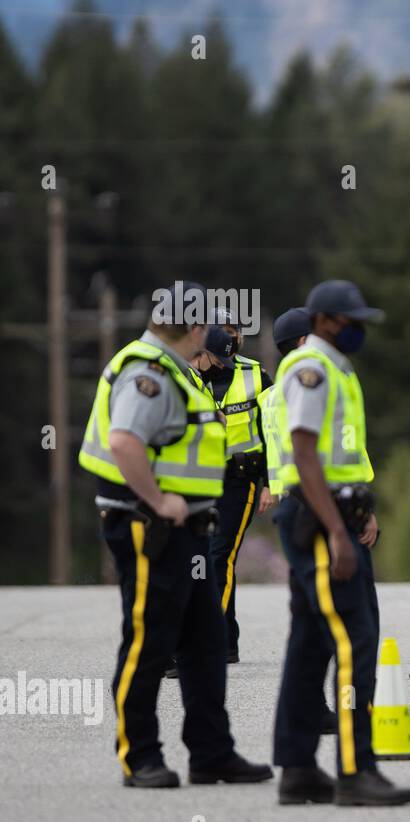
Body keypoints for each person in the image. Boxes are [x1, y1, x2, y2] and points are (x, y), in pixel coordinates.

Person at [77, 280, 272, 788]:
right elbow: (124, 442)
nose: (215, 334)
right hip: (150, 527)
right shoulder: (148, 371)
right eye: (208, 324)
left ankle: (212, 754)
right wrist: (159, 500)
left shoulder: (174, 368)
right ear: (192, 326)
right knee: (149, 639)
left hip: (185, 531)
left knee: (205, 643)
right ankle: (139, 756)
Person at [271, 281, 410, 807]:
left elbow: (339, 455)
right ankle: (355, 772)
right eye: (353, 321)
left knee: (309, 645)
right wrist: (336, 531)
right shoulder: (312, 369)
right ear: (326, 320)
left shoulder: (334, 367)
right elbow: (304, 453)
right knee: (356, 643)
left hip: (333, 512)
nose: (361, 330)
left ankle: (298, 769)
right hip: (320, 519)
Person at [261, 306, 339, 737]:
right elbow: (309, 454)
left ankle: (310, 716)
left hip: (300, 505)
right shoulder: (308, 381)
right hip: (314, 505)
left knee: (312, 621)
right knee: (336, 620)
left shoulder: (281, 389)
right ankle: (346, 712)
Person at [194, 312, 274, 664]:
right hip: (197, 481)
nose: (234, 337)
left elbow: (275, 433)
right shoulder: (188, 377)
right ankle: (226, 641)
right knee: (206, 560)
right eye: (226, 332)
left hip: (241, 481)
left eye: (237, 332)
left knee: (219, 556)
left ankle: (209, 641)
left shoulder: (257, 375)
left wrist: (271, 483)